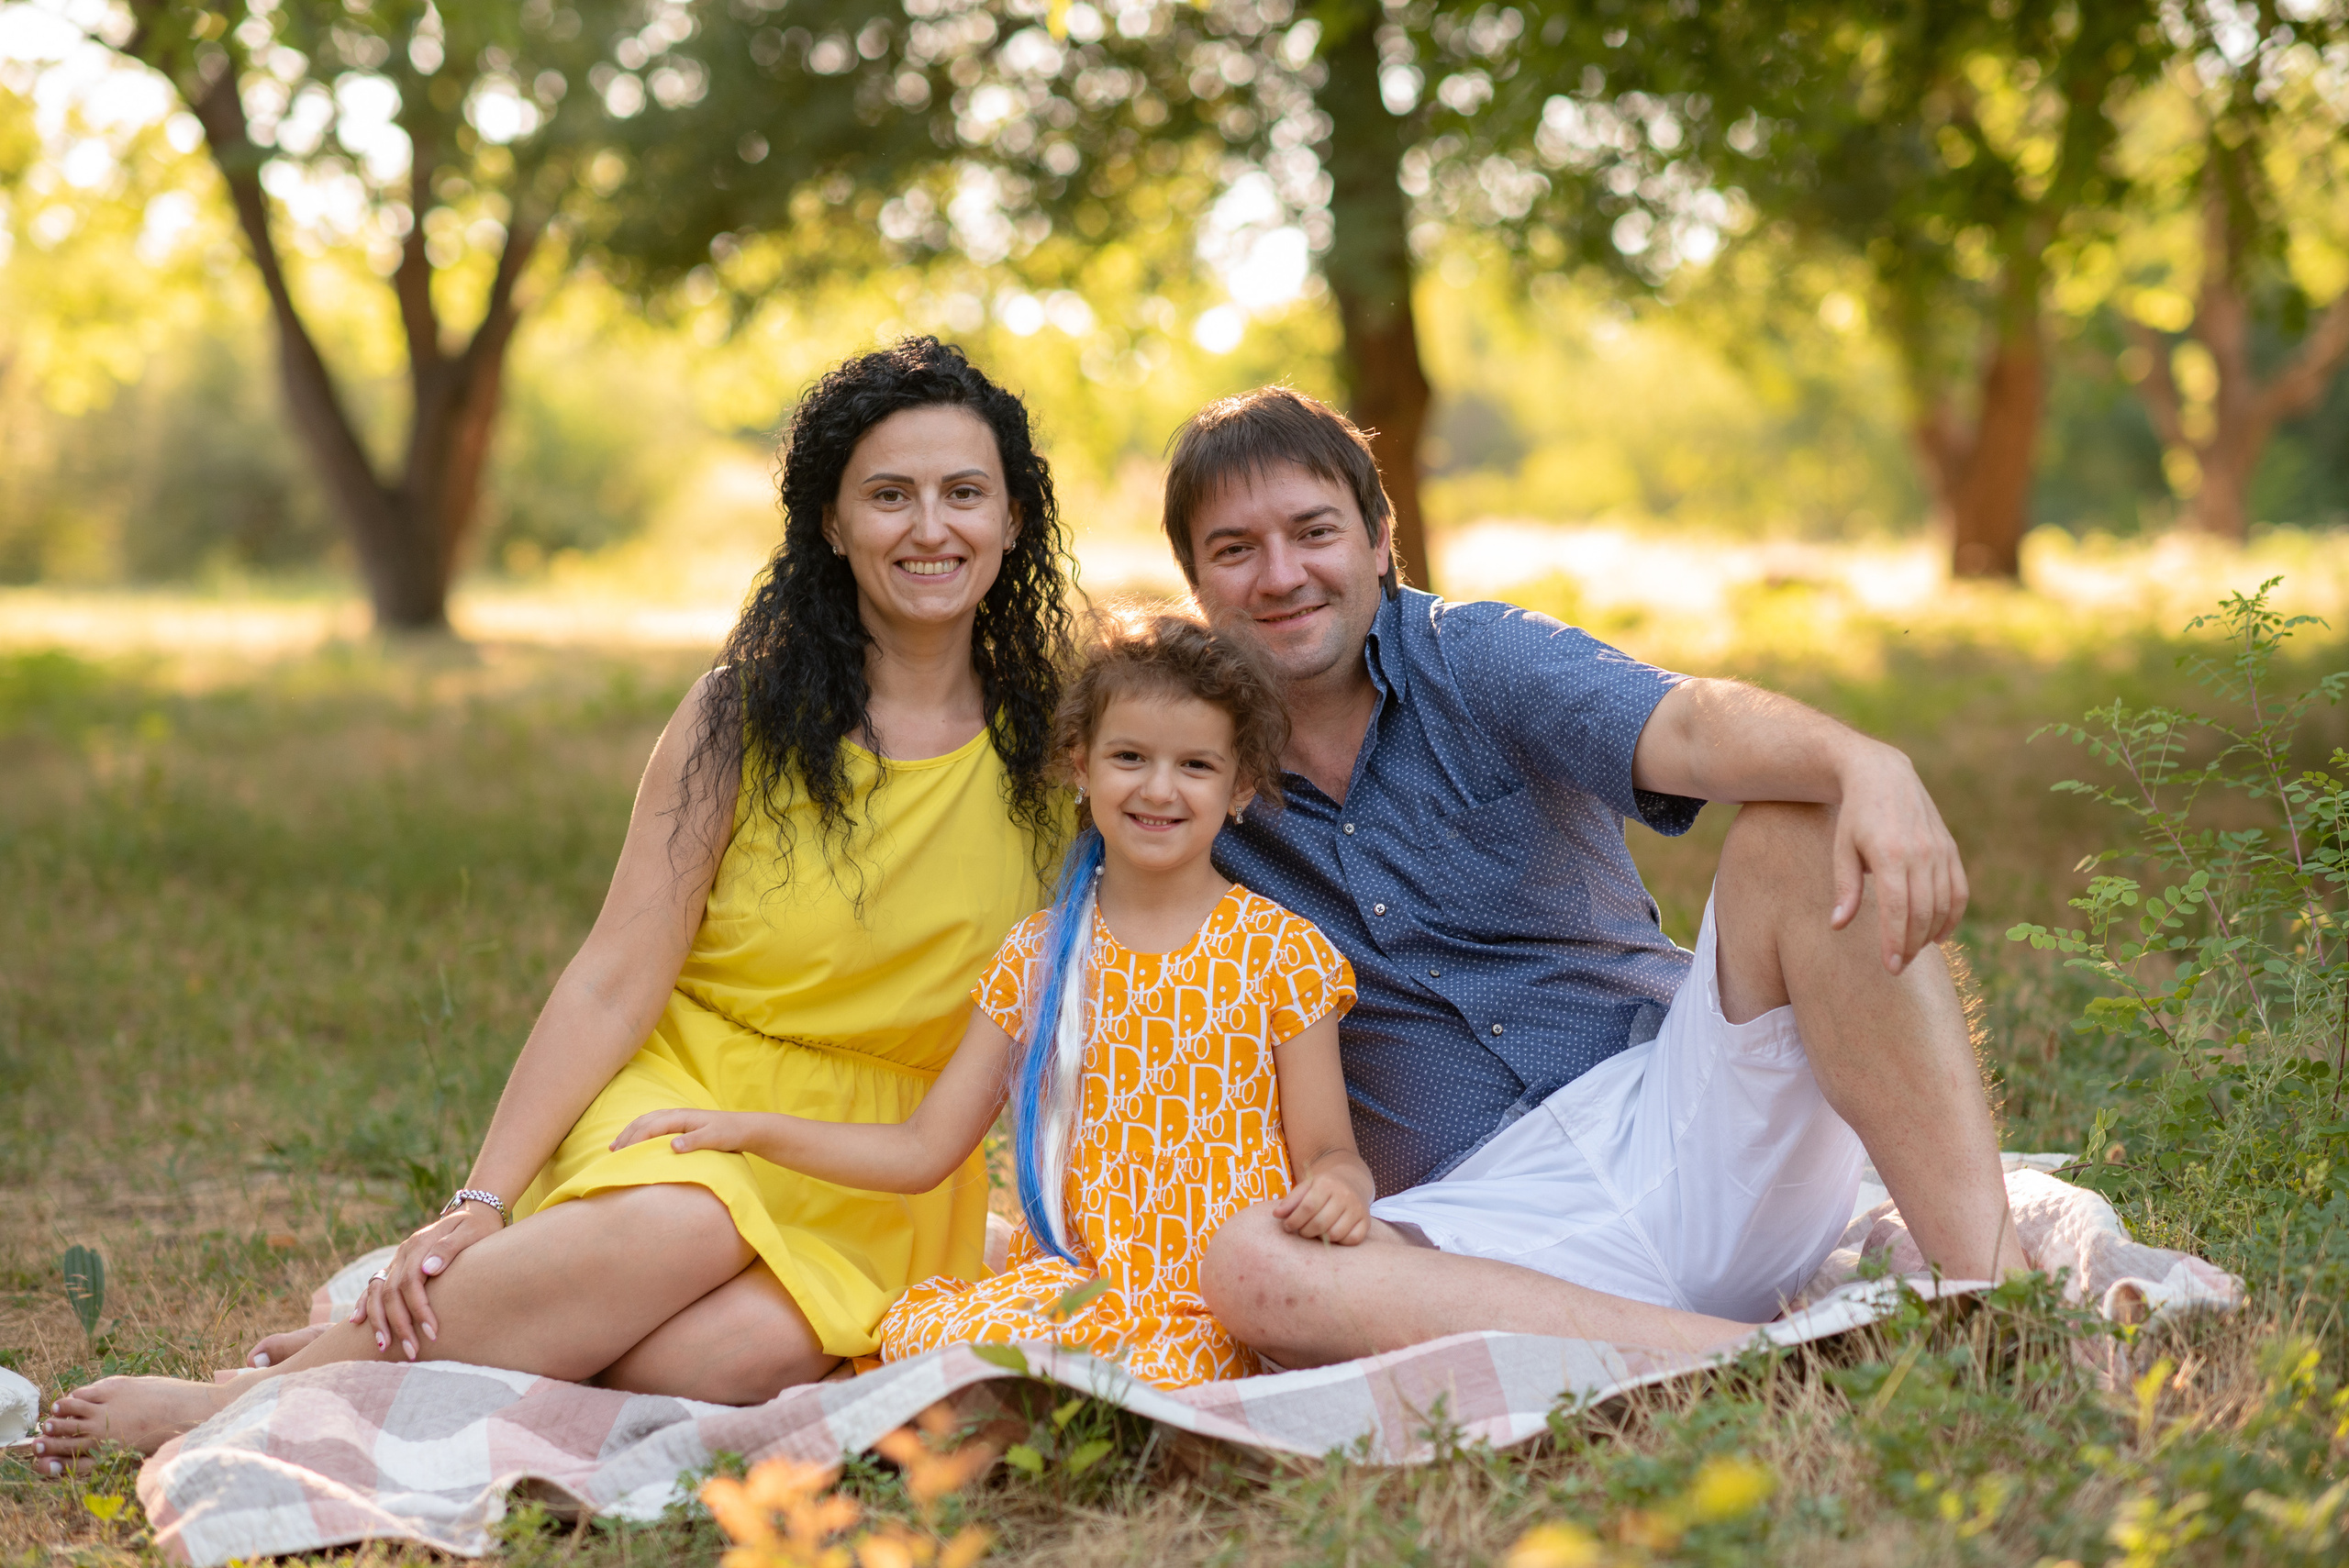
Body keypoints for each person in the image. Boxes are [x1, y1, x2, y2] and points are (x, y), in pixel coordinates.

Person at [31, 339, 1075, 1474]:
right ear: (831, 522)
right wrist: (483, 1196)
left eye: (963, 493)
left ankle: (462, 1325)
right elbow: (615, 975)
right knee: (686, 1218)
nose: (930, 528)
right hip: (692, 1089)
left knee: (720, 1361)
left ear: (1011, 518)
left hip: (883, 1151)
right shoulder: (742, 712)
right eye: (889, 495)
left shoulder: (1065, 739)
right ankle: (253, 1397)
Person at [1160, 387, 2029, 1367]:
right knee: (1251, 1265)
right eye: (1235, 549)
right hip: (1482, 1233)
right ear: (1195, 582)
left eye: (1313, 531)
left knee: (1805, 824)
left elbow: (1688, 725)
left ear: (1377, 537)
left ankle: (2003, 1303)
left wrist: (1865, 763)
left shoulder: (1472, 656)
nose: (1282, 575)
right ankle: (1758, 1362)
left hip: (1685, 1122)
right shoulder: (1177, 778)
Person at [609, 611, 1371, 1388]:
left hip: (1215, 1306)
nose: (1158, 787)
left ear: (1241, 784)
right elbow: (921, 1149)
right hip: (1075, 1297)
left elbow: (1328, 1152)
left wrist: (1341, 1187)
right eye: (1130, 756)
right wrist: (751, 1130)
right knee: (941, 1341)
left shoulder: (1280, 952)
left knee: (1114, 1381)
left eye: (1196, 765)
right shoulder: (1039, 958)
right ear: (1080, 763)